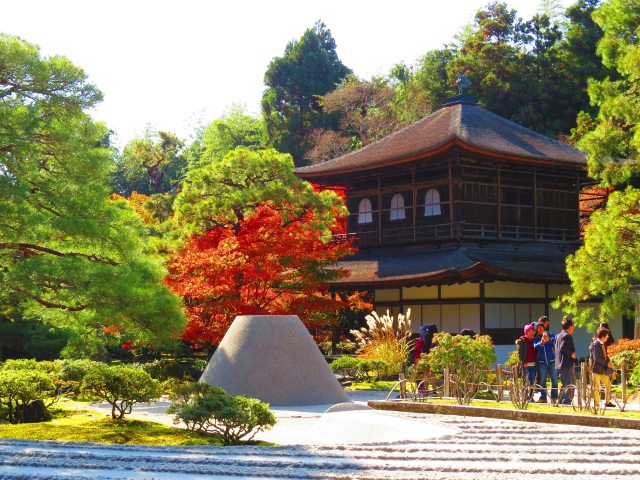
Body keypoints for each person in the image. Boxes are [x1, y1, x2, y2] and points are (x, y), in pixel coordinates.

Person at [555, 317, 577, 405]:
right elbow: (562, 348)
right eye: (573, 326)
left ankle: (560, 400)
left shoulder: (558, 336)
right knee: (571, 383)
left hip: (559, 363)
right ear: (570, 326)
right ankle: (566, 401)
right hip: (566, 364)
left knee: (565, 384)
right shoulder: (567, 336)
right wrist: (571, 354)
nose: (574, 328)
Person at [590, 328, 614, 407]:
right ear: (603, 336)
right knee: (597, 387)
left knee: (608, 384)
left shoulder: (603, 344)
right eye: (607, 335)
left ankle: (607, 402)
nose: (608, 337)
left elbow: (604, 356)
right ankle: (596, 404)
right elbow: (596, 358)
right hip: (596, 369)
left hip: (603, 369)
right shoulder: (595, 344)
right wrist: (607, 363)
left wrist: (609, 362)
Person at [534, 324, 557, 403]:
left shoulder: (551, 335)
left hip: (552, 361)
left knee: (554, 379)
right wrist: (541, 342)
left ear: (544, 328)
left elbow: (555, 342)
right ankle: (543, 398)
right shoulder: (536, 338)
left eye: (541, 327)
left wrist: (549, 339)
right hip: (542, 362)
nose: (540, 329)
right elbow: (535, 347)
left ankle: (554, 397)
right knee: (542, 380)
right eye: (538, 328)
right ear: (537, 330)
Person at [516, 324, 537, 399]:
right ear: (526, 332)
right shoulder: (522, 340)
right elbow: (520, 353)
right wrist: (523, 362)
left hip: (533, 364)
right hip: (526, 365)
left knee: (532, 381)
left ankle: (531, 397)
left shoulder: (534, 340)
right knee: (525, 381)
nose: (532, 333)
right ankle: (525, 396)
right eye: (530, 331)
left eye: (532, 331)